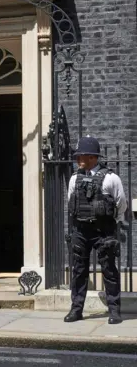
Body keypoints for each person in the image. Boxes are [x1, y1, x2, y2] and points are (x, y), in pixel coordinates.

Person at [64, 136, 127, 325]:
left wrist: (112, 222)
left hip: (103, 230)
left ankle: (114, 311)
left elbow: (121, 204)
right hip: (81, 230)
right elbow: (71, 202)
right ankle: (76, 310)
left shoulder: (111, 178)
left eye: (81, 155)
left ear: (93, 157)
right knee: (79, 270)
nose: (78, 159)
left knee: (109, 270)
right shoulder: (75, 178)